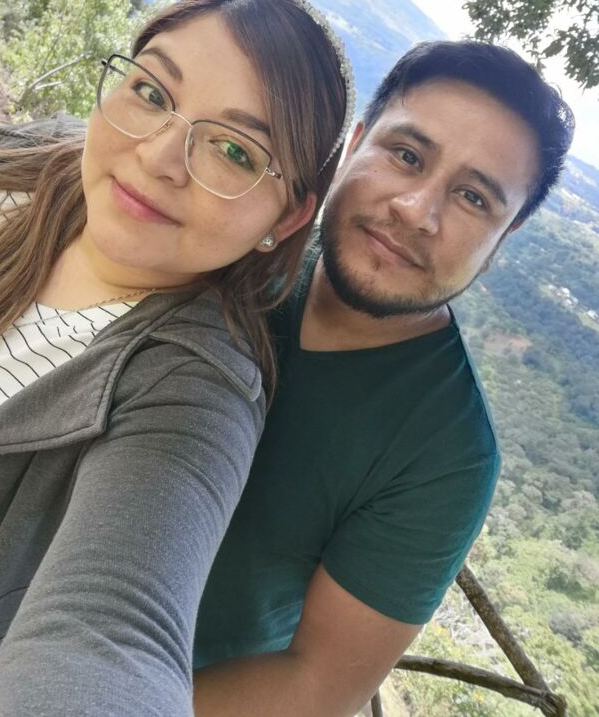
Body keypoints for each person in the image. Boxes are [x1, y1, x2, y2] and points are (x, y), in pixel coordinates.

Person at [0, 0, 353, 716]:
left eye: (234, 150)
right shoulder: (11, 162)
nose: (160, 155)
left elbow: (116, 637)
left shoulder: (192, 386)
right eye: (151, 92)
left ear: (286, 218)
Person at [192, 41, 575, 716]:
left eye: (472, 197)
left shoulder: (446, 455)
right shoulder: (243, 237)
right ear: (354, 145)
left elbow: (318, 684)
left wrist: (79, 697)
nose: (417, 209)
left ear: (500, 243)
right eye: (407, 155)